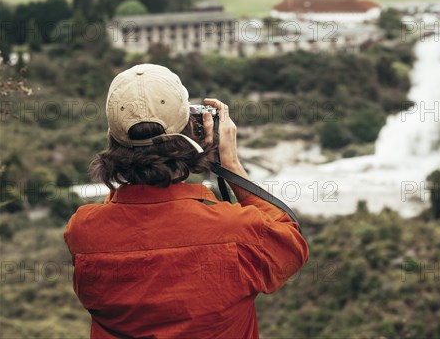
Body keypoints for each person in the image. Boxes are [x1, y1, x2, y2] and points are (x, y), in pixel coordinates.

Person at [63, 64, 308, 338]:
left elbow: (124, 214)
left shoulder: (83, 232)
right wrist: (230, 164)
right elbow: (291, 247)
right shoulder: (236, 231)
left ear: (112, 139)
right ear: (192, 131)